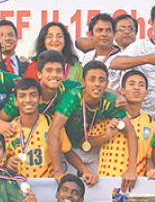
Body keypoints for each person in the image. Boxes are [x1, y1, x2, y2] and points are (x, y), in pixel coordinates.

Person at [47, 61, 137, 190]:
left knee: (96, 187)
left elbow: (131, 133)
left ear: (106, 84)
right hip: (66, 150)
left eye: (101, 80)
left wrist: (132, 169)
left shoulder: (110, 101)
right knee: (70, 189)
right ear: (83, 82)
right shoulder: (72, 98)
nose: (97, 84)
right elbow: (53, 131)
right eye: (92, 79)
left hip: (92, 148)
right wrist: (58, 172)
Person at [0, 50, 75, 137]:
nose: (54, 75)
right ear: (39, 74)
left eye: (58, 71)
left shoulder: (68, 88)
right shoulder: (25, 95)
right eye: (49, 70)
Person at [98, 70, 155, 178]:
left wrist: (151, 170)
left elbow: (147, 156)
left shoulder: (150, 122)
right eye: (131, 84)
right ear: (122, 90)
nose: (137, 88)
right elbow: (99, 89)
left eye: (141, 85)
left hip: (135, 182)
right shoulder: (109, 113)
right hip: (107, 179)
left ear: (146, 93)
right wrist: (106, 136)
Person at [3, 78, 56, 179]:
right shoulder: (8, 130)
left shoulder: (52, 124)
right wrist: (7, 165)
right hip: (18, 188)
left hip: (47, 188)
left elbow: (67, 151)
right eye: (22, 96)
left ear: (40, 99)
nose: (28, 100)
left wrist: (85, 171)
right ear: (16, 101)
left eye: (33, 95)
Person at [79, 14, 123, 91]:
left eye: (108, 30)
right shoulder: (87, 57)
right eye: (100, 30)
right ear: (91, 34)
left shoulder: (122, 58)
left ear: (114, 34)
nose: (104, 34)